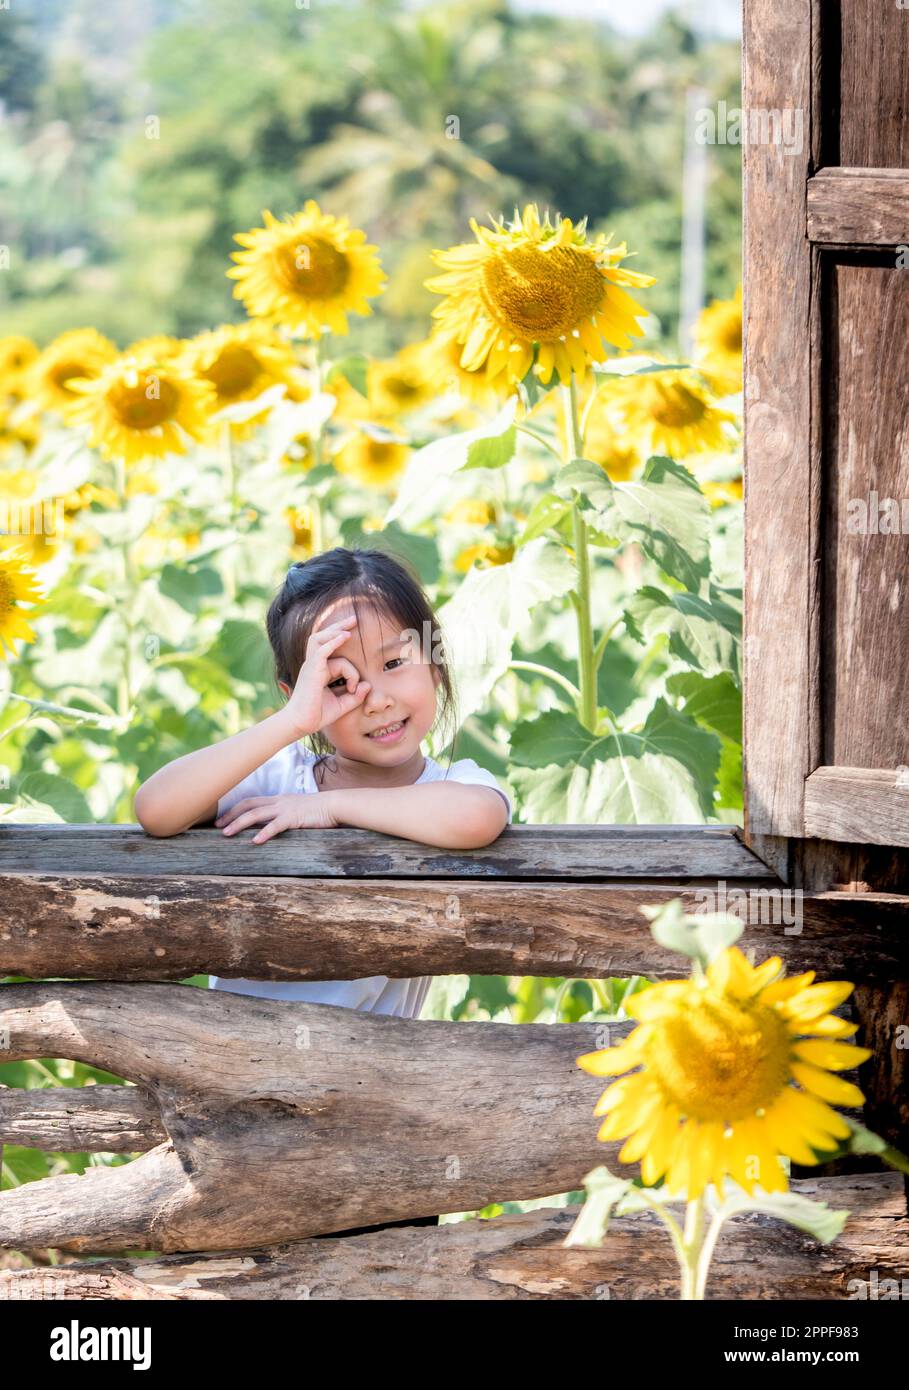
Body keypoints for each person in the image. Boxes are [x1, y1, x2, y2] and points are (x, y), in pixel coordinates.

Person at [133, 545, 512, 1236]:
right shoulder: (280, 780)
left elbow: (477, 818)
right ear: (301, 695)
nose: (378, 698)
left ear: (434, 658)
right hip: (241, 1105)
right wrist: (291, 726)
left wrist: (336, 810)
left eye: (396, 663)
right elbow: (157, 808)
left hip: (372, 1116)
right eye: (339, 684)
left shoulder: (451, 783)